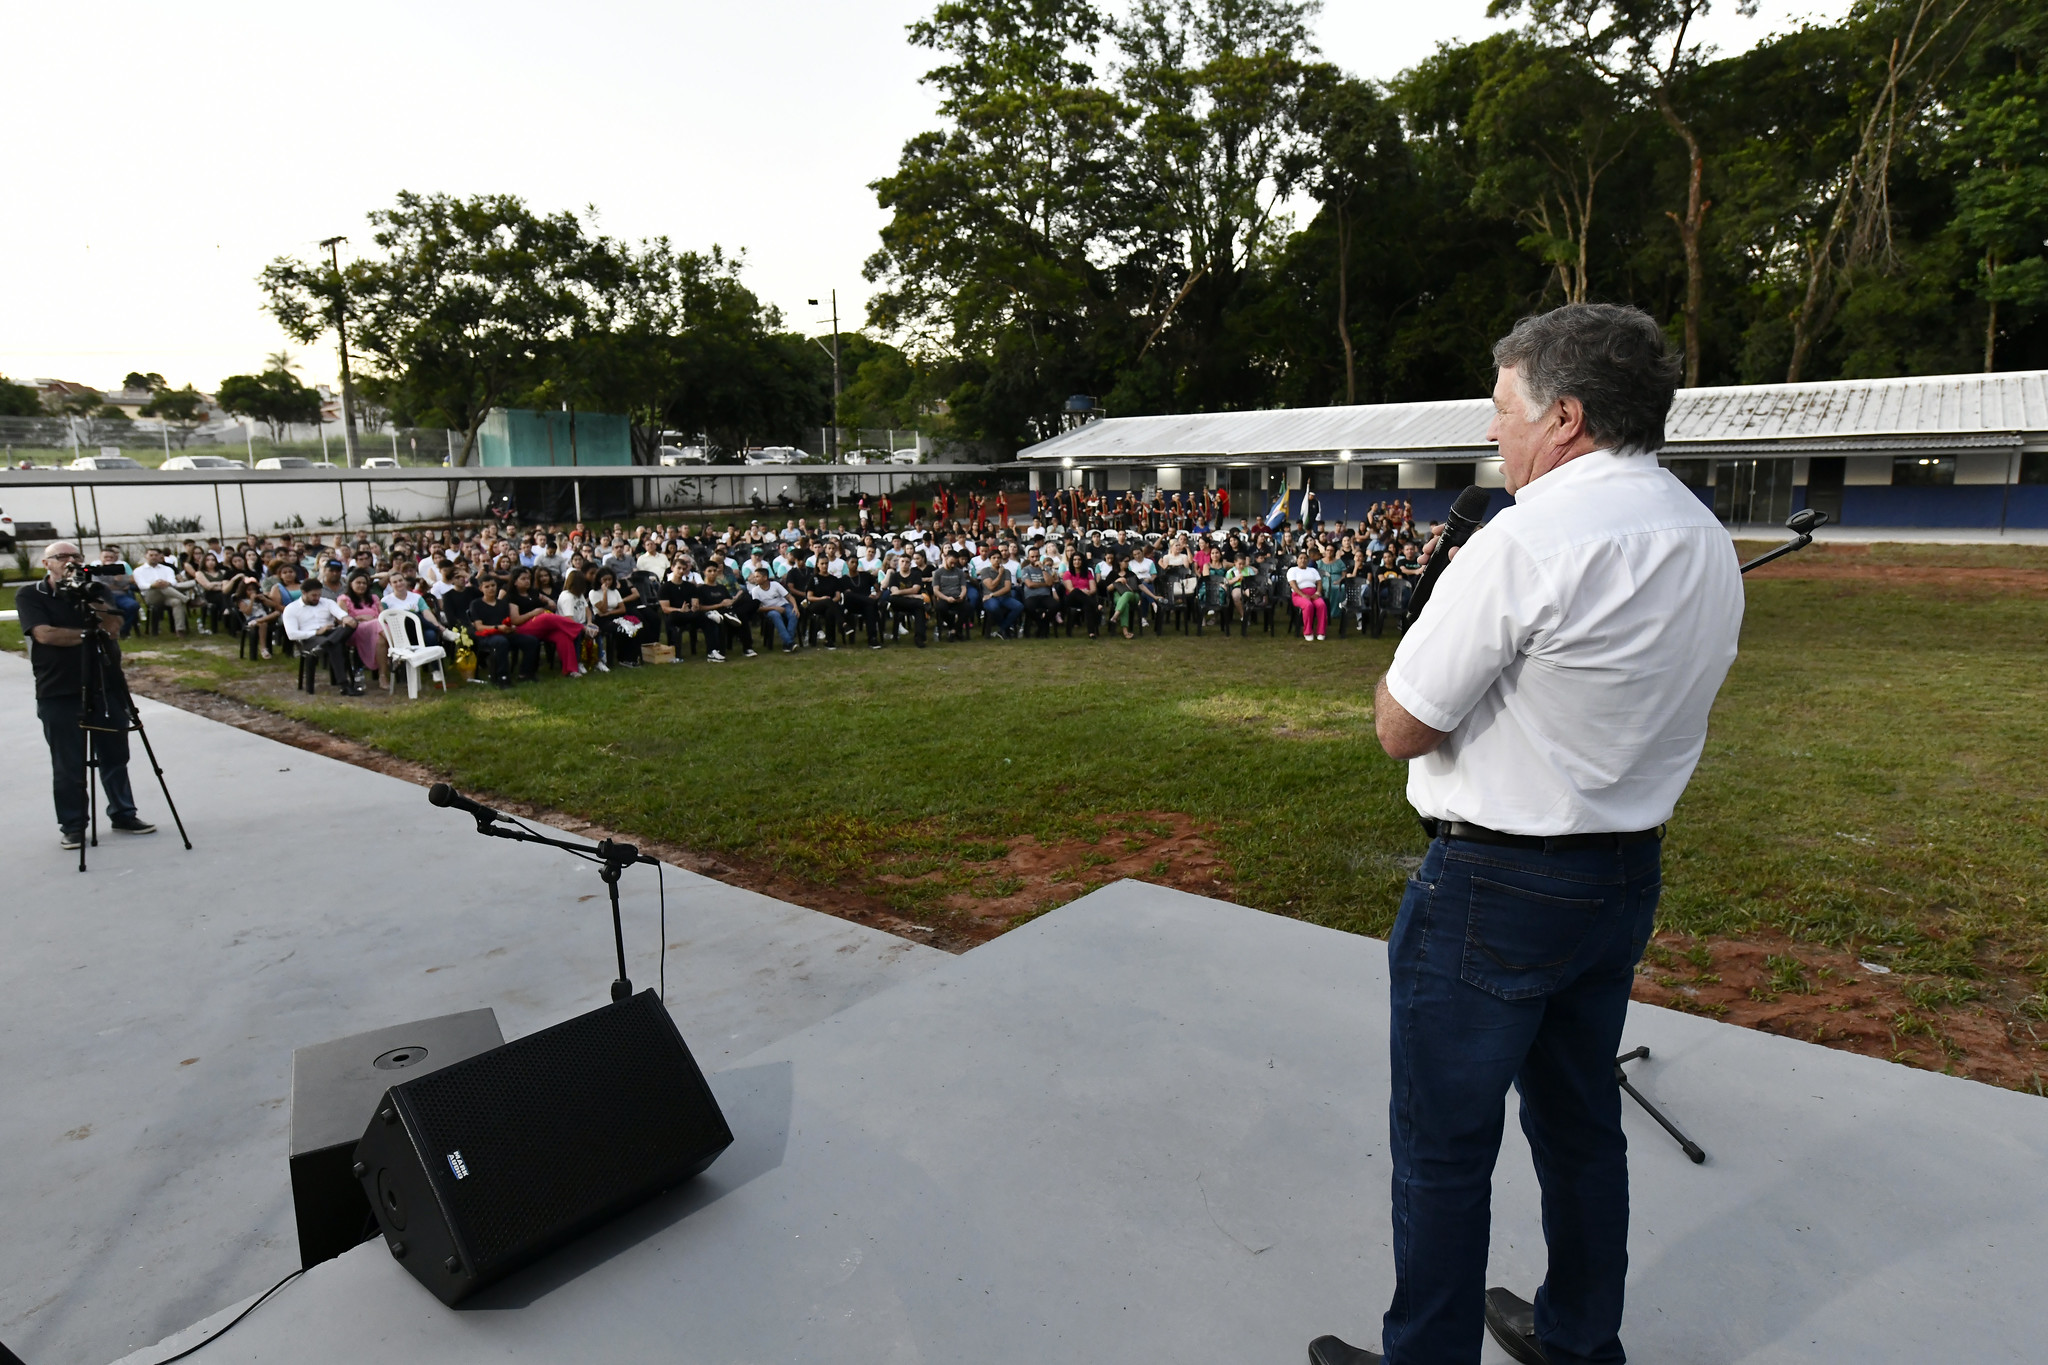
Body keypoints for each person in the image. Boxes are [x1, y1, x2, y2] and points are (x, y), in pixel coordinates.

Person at [1308, 304, 1744, 1365]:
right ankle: (1576, 1338)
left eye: (1502, 412)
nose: (1491, 437)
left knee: (1444, 1145)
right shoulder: (1698, 532)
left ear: (1566, 418)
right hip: (1618, 876)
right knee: (1578, 1126)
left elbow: (1399, 722)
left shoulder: (1528, 537)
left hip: (1494, 886)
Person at [16, 542, 158, 848]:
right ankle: (73, 824)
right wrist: (87, 635)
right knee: (68, 762)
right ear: (46, 563)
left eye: (76, 557)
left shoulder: (95, 589)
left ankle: (123, 813)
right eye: (62, 557)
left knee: (115, 755)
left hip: (105, 686)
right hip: (59, 690)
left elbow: (114, 628)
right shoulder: (31, 594)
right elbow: (44, 634)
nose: (69, 561)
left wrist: (89, 598)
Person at [282, 578, 365, 695]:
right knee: (336, 645)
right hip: (310, 637)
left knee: (351, 624)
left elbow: (340, 614)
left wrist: (346, 618)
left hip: (331, 633)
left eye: (319, 595)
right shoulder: (291, 609)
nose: (317, 598)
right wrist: (317, 632)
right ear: (303, 593)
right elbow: (292, 634)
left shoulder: (327, 602)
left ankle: (327, 644)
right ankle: (344, 685)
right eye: (313, 595)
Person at [466, 576, 540, 686]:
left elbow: (507, 621)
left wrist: (511, 627)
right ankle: (502, 677)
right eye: (487, 587)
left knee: (532, 641)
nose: (491, 589)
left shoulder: (502, 604)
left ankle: (526, 673)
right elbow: (479, 627)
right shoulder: (476, 604)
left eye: (493, 585)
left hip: (505, 633)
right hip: (486, 635)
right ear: (481, 588)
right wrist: (497, 627)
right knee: (500, 642)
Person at [131, 547, 192, 634]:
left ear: (160, 556)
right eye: (151, 555)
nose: (154, 557)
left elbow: (173, 582)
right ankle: (186, 599)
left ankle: (180, 629)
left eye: (156, 555)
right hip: (151, 596)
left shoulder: (167, 569)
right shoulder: (139, 571)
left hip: (168, 595)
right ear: (146, 556)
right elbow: (141, 585)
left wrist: (166, 583)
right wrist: (153, 585)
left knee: (177, 601)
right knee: (160, 585)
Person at [1287, 551, 1327, 642]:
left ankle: (1321, 632)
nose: (1303, 560)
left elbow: (1319, 583)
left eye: (1305, 558)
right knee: (1308, 605)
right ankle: (1308, 632)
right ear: (1297, 560)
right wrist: (1303, 595)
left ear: (1308, 560)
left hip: (1313, 593)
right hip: (1299, 595)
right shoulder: (1292, 570)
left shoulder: (1312, 570)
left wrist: (1317, 593)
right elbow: (1293, 585)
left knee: (1321, 605)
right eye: (1300, 558)